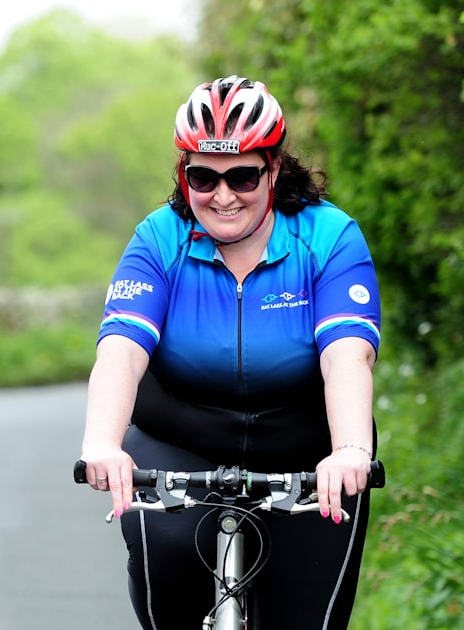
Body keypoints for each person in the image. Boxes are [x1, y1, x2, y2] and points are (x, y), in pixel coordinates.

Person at [78, 76, 381, 629]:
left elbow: (348, 355)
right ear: (183, 174)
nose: (222, 195)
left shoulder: (329, 237)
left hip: (306, 446)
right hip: (180, 438)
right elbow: (121, 349)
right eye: (203, 176)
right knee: (165, 566)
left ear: (274, 168)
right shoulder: (159, 238)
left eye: (242, 175)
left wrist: (351, 449)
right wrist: (102, 442)